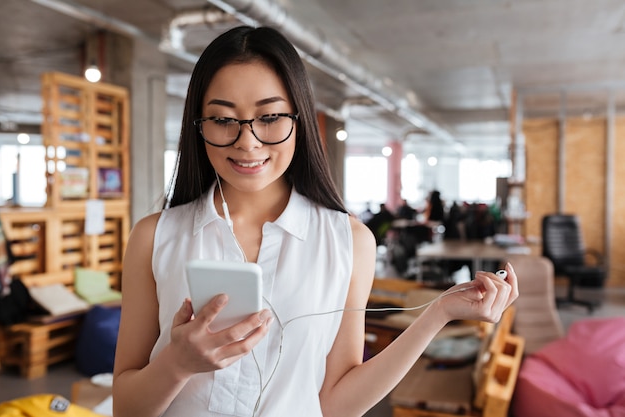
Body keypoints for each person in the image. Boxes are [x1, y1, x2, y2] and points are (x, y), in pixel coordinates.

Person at [112, 25, 518, 417]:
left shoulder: (348, 240)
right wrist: (176, 365)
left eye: (269, 117)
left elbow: (335, 407)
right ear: (198, 127)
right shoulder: (155, 236)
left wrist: (438, 313)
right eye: (222, 119)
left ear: (299, 121)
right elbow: (125, 409)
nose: (247, 142)